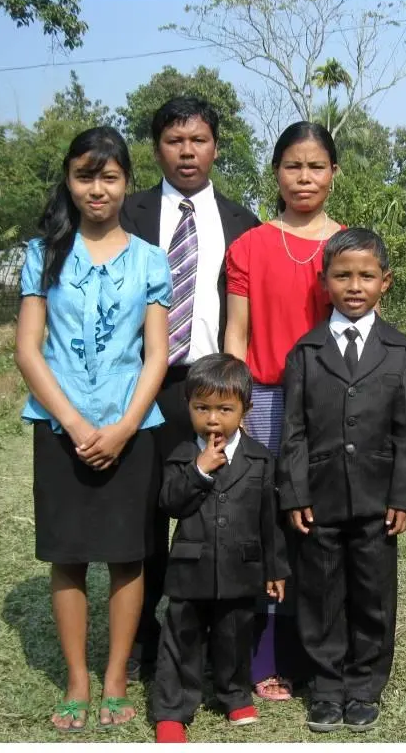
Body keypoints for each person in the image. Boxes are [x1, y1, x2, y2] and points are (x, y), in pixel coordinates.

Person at [15, 126, 171, 731]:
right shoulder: (43, 254)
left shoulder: (150, 259)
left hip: (132, 429)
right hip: (60, 428)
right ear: (69, 180)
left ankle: (116, 677)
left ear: (127, 182)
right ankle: (77, 680)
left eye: (109, 177)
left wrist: (126, 427)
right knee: (69, 556)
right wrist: (76, 423)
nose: (97, 189)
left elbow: (156, 354)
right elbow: (29, 351)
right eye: (85, 176)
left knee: (129, 556)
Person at [120, 97, 261, 681]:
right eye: (174, 141)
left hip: (210, 388)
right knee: (143, 514)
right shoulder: (127, 213)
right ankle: (142, 638)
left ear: (216, 148)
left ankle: (210, 636)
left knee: (211, 513)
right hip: (139, 384)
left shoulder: (243, 223)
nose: (187, 151)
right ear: (157, 149)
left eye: (198, 140)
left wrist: (236, 397)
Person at [278, 228, 406, 733]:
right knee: (320, 592)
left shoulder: (398, 350)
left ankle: (364, 685)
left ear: (386, 282)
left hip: (377, 499)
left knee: (373, 593)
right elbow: (293, 431)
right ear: (324, 282)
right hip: (320, 499)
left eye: (366, 276)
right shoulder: (306, 351)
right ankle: (326, 685)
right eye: (342, 276)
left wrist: (403, 493)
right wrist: (294, 491)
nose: (354, 286)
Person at [224, 121, 343, 701]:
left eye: (316, 166)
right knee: (266, 526)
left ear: (333, 173)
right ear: (276, 173)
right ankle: (263, 655)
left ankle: (315, 654)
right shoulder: (248, 246)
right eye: (293, 166)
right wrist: (234, 406)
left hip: (329, 403)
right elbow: (236, 334)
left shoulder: (349, 247)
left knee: (317, 527)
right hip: (265, 401)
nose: (304, 177)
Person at [152, 354, 290, 743]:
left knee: (235, 637)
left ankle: (234, 695)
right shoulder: (182, 455)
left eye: (224, 409)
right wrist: (199, 470)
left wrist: (275, 569)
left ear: (245, 409)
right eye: (202, 408)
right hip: (190, 570)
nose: (213, 419)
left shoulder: (260, 459)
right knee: (182, 640)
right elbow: (170, 503)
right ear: (188, 406)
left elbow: (269, 520)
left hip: (240, 568)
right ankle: (172, 710)